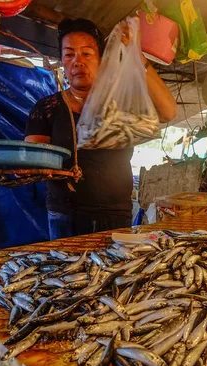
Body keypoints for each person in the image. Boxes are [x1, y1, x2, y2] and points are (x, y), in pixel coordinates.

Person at [25, 18, 177, 239]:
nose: (77, 62)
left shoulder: (121, 106)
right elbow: (33, 157)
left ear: (101, 60)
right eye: (69, 55)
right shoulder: (47, 108)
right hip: (65, 216)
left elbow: (168, 112)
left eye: (86, 54)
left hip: (116, 214)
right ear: (62, 62)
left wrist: (137, 56)